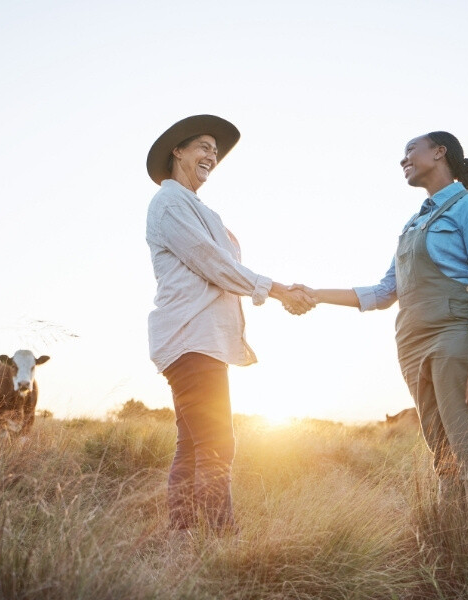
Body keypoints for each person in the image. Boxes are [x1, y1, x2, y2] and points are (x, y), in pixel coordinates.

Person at [293, 131, 468, 508]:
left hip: (455, 341)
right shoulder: (412, 224)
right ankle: (456, 546)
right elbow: (383, 292)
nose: (402, 160)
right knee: (443, 457)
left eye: (410, 150)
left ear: (439, 152)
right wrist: (316, 294)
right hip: (412, 347)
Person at [145, 114, 315, 533]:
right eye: (203, 146)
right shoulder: (168, 203)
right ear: (177, 151)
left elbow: (221, 263)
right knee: (217, 443)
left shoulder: (202, 210)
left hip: (204, 341)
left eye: (216, 152)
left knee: (193, 445)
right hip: (191, 338)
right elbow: (213, 263)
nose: (212, 156)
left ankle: (184, 536)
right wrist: (276, 290)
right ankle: (221, 537)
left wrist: (279, 290)